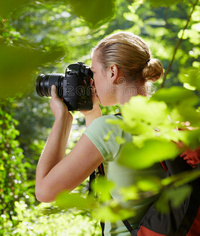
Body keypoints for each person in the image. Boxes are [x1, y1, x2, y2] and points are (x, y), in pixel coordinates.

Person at [35, 31, 165, 235]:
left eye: (93, 72)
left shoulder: (110, 128)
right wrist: (92, 112)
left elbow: (45, 192)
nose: (91, 81)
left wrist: (62, 118)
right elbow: (109, 155)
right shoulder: (165, 121)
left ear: (112, 72)